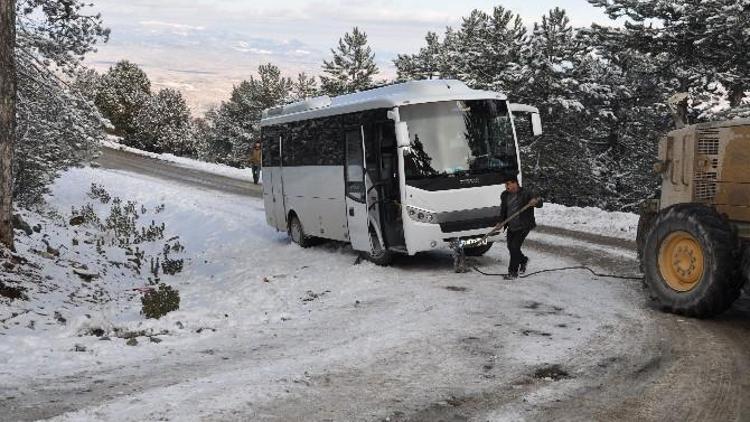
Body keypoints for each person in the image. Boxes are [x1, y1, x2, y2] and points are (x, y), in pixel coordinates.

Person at [498, 175, 543, 280]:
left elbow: (540, 202)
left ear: (515, 183)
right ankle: (523, 260)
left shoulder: (526, 193)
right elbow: (503, 210)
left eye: (508, 184)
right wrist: (500, 222)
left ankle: (512, 272)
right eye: (505, 184)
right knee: (511, 247)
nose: (507, 186)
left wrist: (535, 202)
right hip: (511, 225)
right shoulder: (504, 195)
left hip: (523, 225)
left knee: (514, 247)